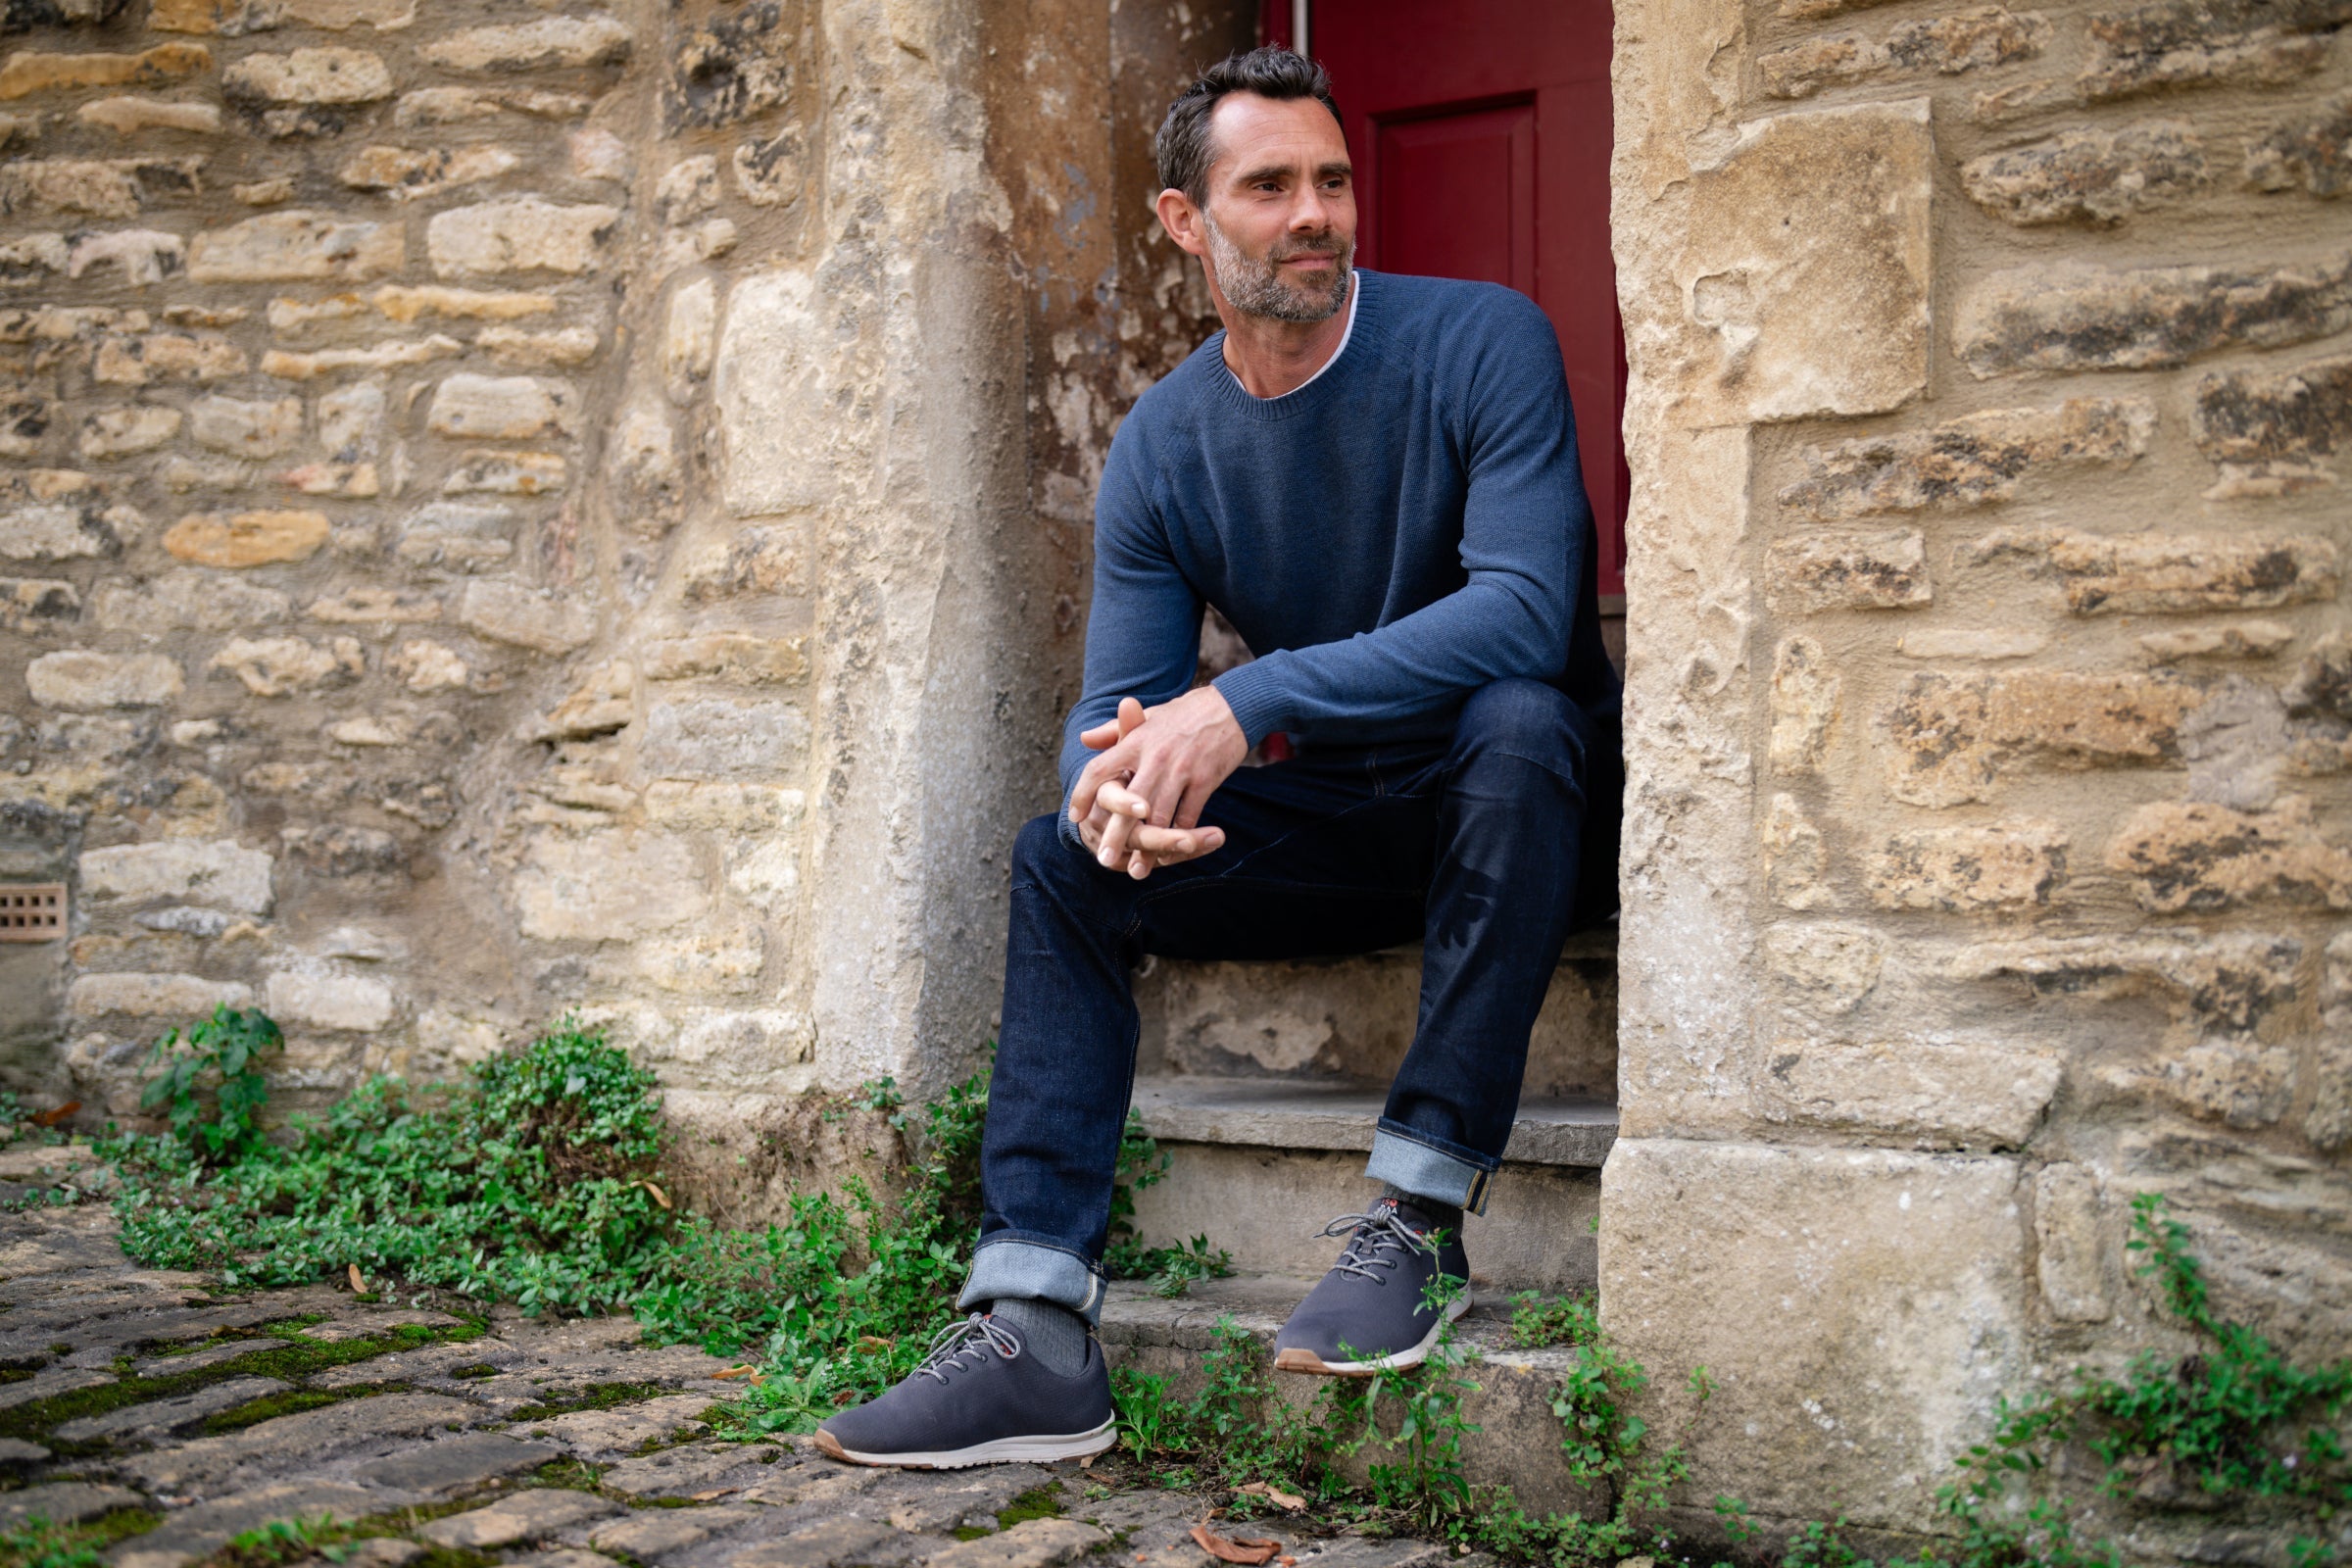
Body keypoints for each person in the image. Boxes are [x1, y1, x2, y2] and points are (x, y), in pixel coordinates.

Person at [814, 44, 1622, 1470]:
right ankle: (1033, 1331)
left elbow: (1525, 612)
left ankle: (1416, 1221)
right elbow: (1116, 710)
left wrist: (1247, 703)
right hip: (1357, 826)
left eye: (1333, 180)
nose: (1316, 213)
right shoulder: (1165, 442)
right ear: (1187, 222)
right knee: (1061, 861)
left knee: (1517, 719)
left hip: (1530, 807)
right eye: (1270, 187)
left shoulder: (1481, 340)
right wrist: (1117, 798)